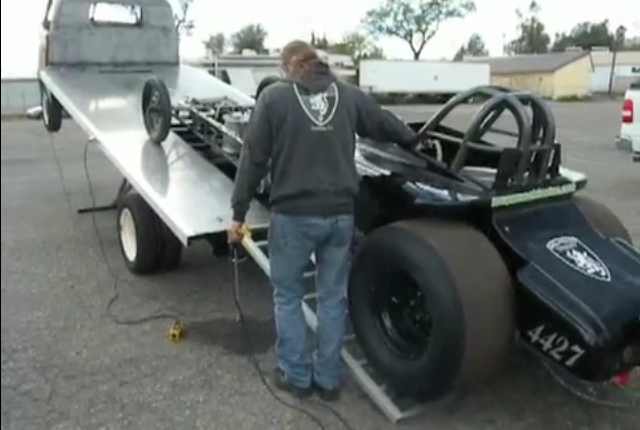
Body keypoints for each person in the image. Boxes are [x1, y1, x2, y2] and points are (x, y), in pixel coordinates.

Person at [227, 40, 418, 401]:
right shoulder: (347, 94)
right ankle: (328, 379)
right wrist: (414, 140)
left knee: (288, 297)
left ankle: (296, 377)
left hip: (293, 216)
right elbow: (384, 123)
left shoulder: (274, 98)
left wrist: (237, 214)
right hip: (340, 216)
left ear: (287, 66)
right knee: (332, 299)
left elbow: (253, 159)